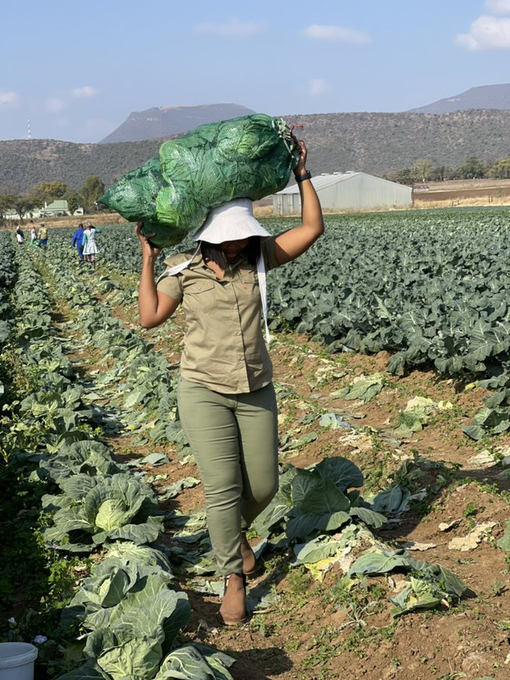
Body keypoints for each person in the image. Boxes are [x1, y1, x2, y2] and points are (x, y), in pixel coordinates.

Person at [136, 140, 324, 626]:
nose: (239, 243)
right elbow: (149, 316)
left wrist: (303, 175)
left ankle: (231, 535)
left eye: (244, 236)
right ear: (209, 236)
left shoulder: (261, 259)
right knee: (221, 487)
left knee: (263, 484)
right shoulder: (186, 273)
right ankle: (233, 576)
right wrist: (148, 259)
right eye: (231, 237)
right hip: (202, 389)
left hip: (256, 386)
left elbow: (311, 228)